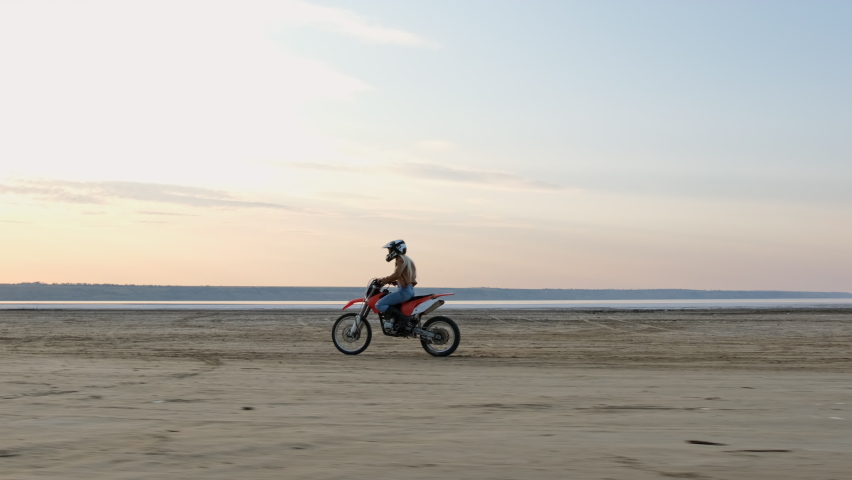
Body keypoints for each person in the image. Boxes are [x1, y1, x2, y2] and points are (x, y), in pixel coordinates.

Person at [375, 239, 417, 332]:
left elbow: (397, 274)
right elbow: (407, 277)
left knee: (379, 304)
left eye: (390, 250)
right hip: (409, 290)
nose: (389, 252)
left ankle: (402, 318)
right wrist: (396, 282)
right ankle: (397, 320)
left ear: (396, 249)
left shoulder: (400, 259)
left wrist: (384, 280)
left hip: (404, 292)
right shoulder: (407, 260)